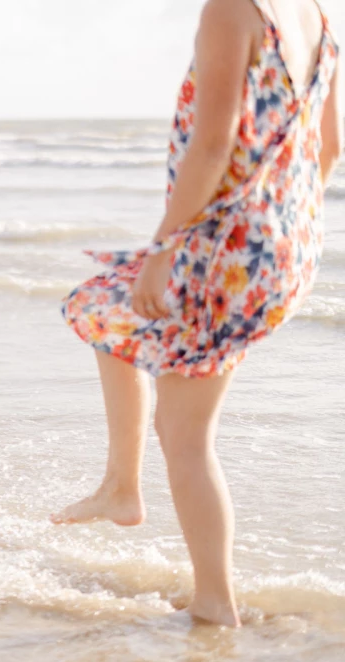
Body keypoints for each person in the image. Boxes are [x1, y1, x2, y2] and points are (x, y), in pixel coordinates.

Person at [53, 0, 341, 627]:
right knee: (104, 306)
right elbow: (330, 146)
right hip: (282, 247)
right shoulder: (317, 17)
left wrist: (164, 250)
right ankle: (121, 488)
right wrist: (283, 226)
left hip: (224, 251)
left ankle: (215, 601)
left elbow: (212, 145)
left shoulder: (232, 10)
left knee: (185, 437)